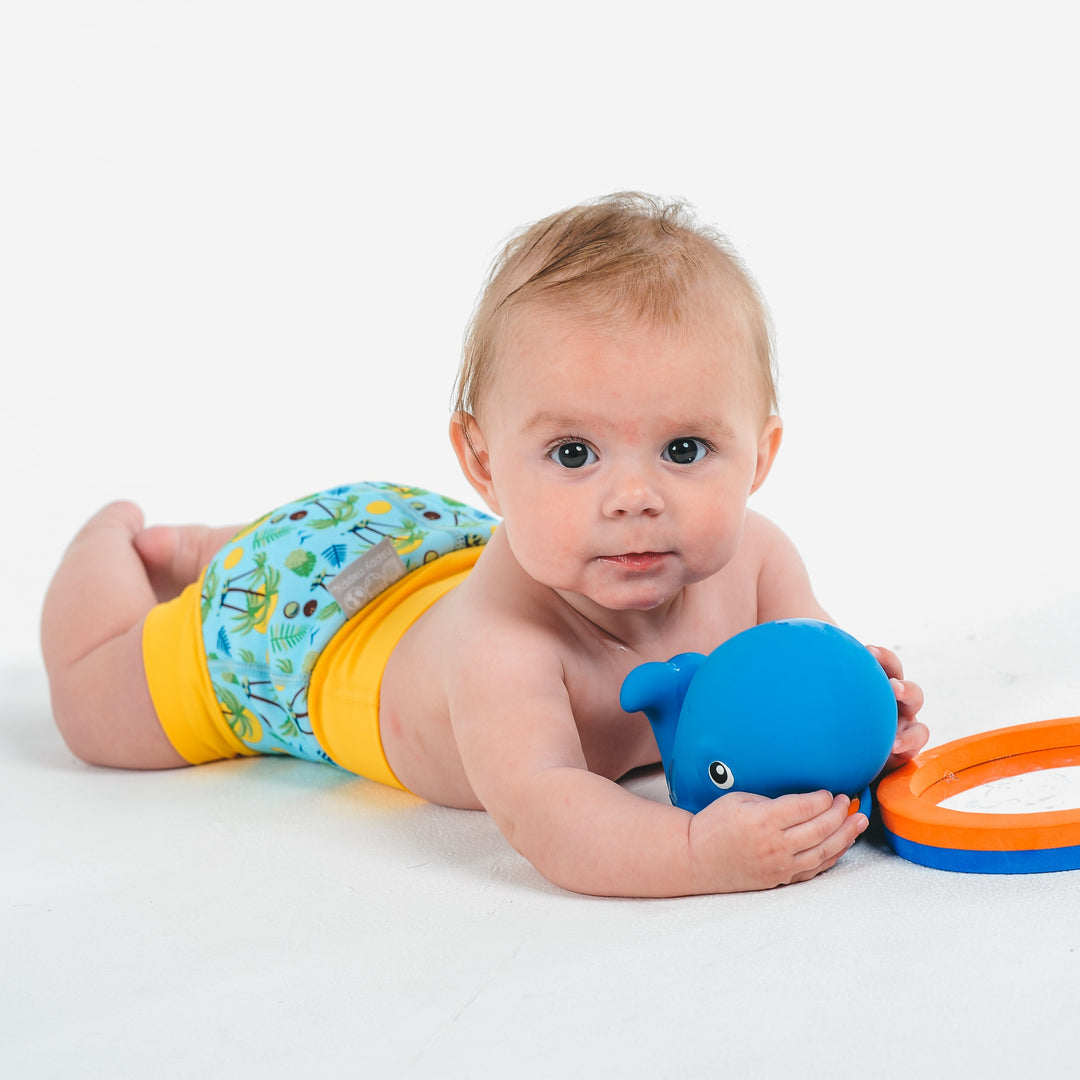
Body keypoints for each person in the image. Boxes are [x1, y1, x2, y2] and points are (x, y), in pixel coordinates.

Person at [40, 193, 927, 897]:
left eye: (684, 450)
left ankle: (206, 542)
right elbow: (550, 812)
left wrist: (866, 724)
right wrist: (698, 852)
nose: (633, 499)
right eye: (573, 454)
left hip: (417, 544)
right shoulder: (505, 647)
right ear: (484, 461)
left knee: (329, 543)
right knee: (94, 708)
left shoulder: (761, 561)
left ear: (760, 455)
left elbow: (808, 679)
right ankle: (124, 541)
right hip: (297, 629)